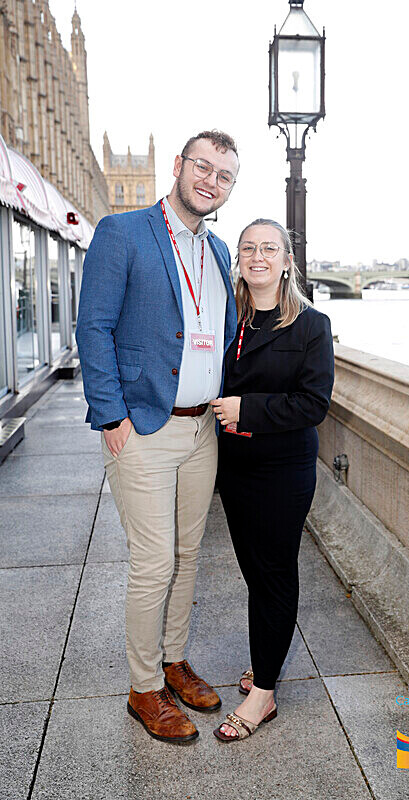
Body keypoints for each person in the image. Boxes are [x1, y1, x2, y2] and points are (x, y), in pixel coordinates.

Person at [76, 130, 239, 744]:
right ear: (178, 165)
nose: (210, 181)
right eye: (202, 166)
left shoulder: (218, 250)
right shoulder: (123, 232)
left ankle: (174, 660)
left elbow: (222, 333)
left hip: (202, 427)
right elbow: (93, 327)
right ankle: (144, 688)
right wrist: (111, 417)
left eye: (223, 175)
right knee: (154, 562)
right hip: (142, 426)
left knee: (189, 554)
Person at [210, 219, 335, 741]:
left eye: (268, 248)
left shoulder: (311, 325)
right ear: (238, 259)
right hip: (236, 469)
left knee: (276, 572)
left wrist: (248, 409)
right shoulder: (228, 319)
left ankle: (263, 694)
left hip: (283, 471)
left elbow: (314, 404)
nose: (257, 256)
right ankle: (268, 655)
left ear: (286, 261)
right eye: (248, 248)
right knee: (256, 574)